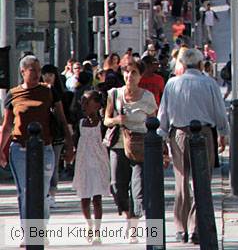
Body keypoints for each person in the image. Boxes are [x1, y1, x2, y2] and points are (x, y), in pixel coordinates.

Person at [157, 48, 229, 244]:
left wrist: (161, 138)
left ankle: (181, 229)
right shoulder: (209, 83)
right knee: (202, 181)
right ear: (200, 64)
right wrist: (222, 134)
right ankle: (197, 227)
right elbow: (219, 112)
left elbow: (163, 115)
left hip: (178, 134)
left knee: (181, 182)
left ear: (181, 64)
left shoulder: (172, 84)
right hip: (204, 134)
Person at [0, 56, 75, 222]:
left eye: (39, 70)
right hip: (19, 148)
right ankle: (27, 232)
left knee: (42, 191)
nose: (37, 74)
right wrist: (1, 150)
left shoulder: (48, 91)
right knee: (25, 191)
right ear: (23, 71)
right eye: (32, 70)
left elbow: (62, 120)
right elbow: (6, 126)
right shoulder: (13, 94)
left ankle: (40, 231)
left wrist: (70, 145)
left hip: (45, 147)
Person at [105, 60, 157, 234]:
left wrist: (162, 151)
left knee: (138, 188)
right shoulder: (114, 94)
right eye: (126, 72)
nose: (129, 76)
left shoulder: (147, 97)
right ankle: (128, 215)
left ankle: (134, 224)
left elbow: (154, 123)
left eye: (134, 72)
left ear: (140, 76)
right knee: (117, 186)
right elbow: (106, 120)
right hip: (118, 145)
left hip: (140, 147)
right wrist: (115, 120)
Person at [74, 90, 109, 243]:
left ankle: (97, 231)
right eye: (83, 102)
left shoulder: (103, 124)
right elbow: (76, 140)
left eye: (88, 102)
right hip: (83, 163)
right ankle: (88, 224)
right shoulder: (80, 122)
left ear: (97, 104)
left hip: (99, 163)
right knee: (84, 197)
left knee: (97, 198)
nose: (85, 106)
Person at [41, 64, 71, 208]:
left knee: (53, 166)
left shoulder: (61, 94)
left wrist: (69, 137)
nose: (47, 77)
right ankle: (44, 194)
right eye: (45, 74)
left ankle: (51, 194)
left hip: (56, 135)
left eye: (51, 75)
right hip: (41, 135)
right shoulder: (36, 92)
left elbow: (65, 118)